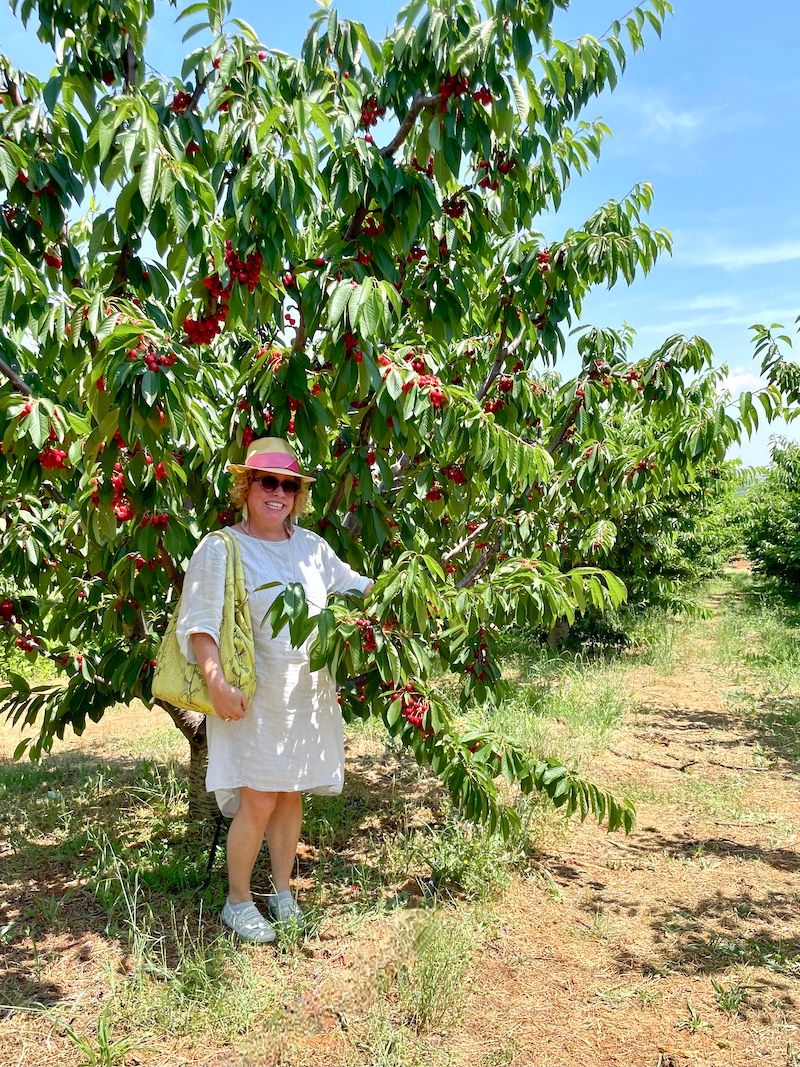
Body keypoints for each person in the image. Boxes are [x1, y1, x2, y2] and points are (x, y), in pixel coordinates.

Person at [176, 437, 373, 943]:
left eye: (288, 485)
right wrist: (215, 683)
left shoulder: (311, 548)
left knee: (290, 795)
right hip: (252, 699)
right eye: (268, 481)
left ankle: (282, 892)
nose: (278, 493)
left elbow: (356, 587)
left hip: (305, 697)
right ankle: (237, 901)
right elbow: (201, 625)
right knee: (258, 798)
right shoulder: (222, 548)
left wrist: (416, 590)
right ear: (247, 486)